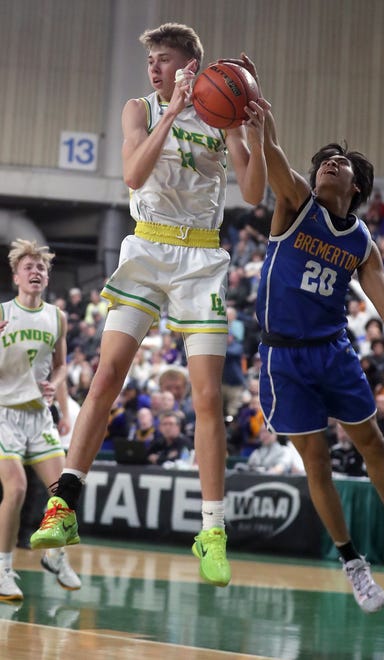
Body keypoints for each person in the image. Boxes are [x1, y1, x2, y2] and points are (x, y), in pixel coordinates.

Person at [229, 53, 384, 614]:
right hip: (283, 357)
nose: (331, 162)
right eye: (325, 160)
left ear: (357, 184)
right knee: (316, 459)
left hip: (333, 351)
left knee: (372, 443)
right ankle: (352, 562)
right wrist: (257, 114)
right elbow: (276, 157)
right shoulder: (293, 205)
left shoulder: (362, 241)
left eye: (341, 162)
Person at [30, 23, 266, 590]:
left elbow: (254, 193)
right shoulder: (138, 108)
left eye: (163, 60)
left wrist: (250, 130)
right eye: (151, 61)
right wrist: (171, 109)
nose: (153, 69)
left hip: (201, 259)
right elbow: (133, 172)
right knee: (108, 373)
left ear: (190, 63)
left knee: (208, 395)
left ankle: (212, 530)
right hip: (147, 244)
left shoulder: (219, 112)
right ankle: (63, 506)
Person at [0, 239, 81, 600]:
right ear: (16, 275)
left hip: (40, 417)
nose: (36, 272)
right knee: (15, 489)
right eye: (29, 267)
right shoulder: (2, 314)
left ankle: (55, 555)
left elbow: (62, 365)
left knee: (63, 494)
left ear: (47, 278)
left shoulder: (57, 317)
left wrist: (57, 391)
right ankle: (3, 570)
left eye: (41, 268)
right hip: (5, 415)